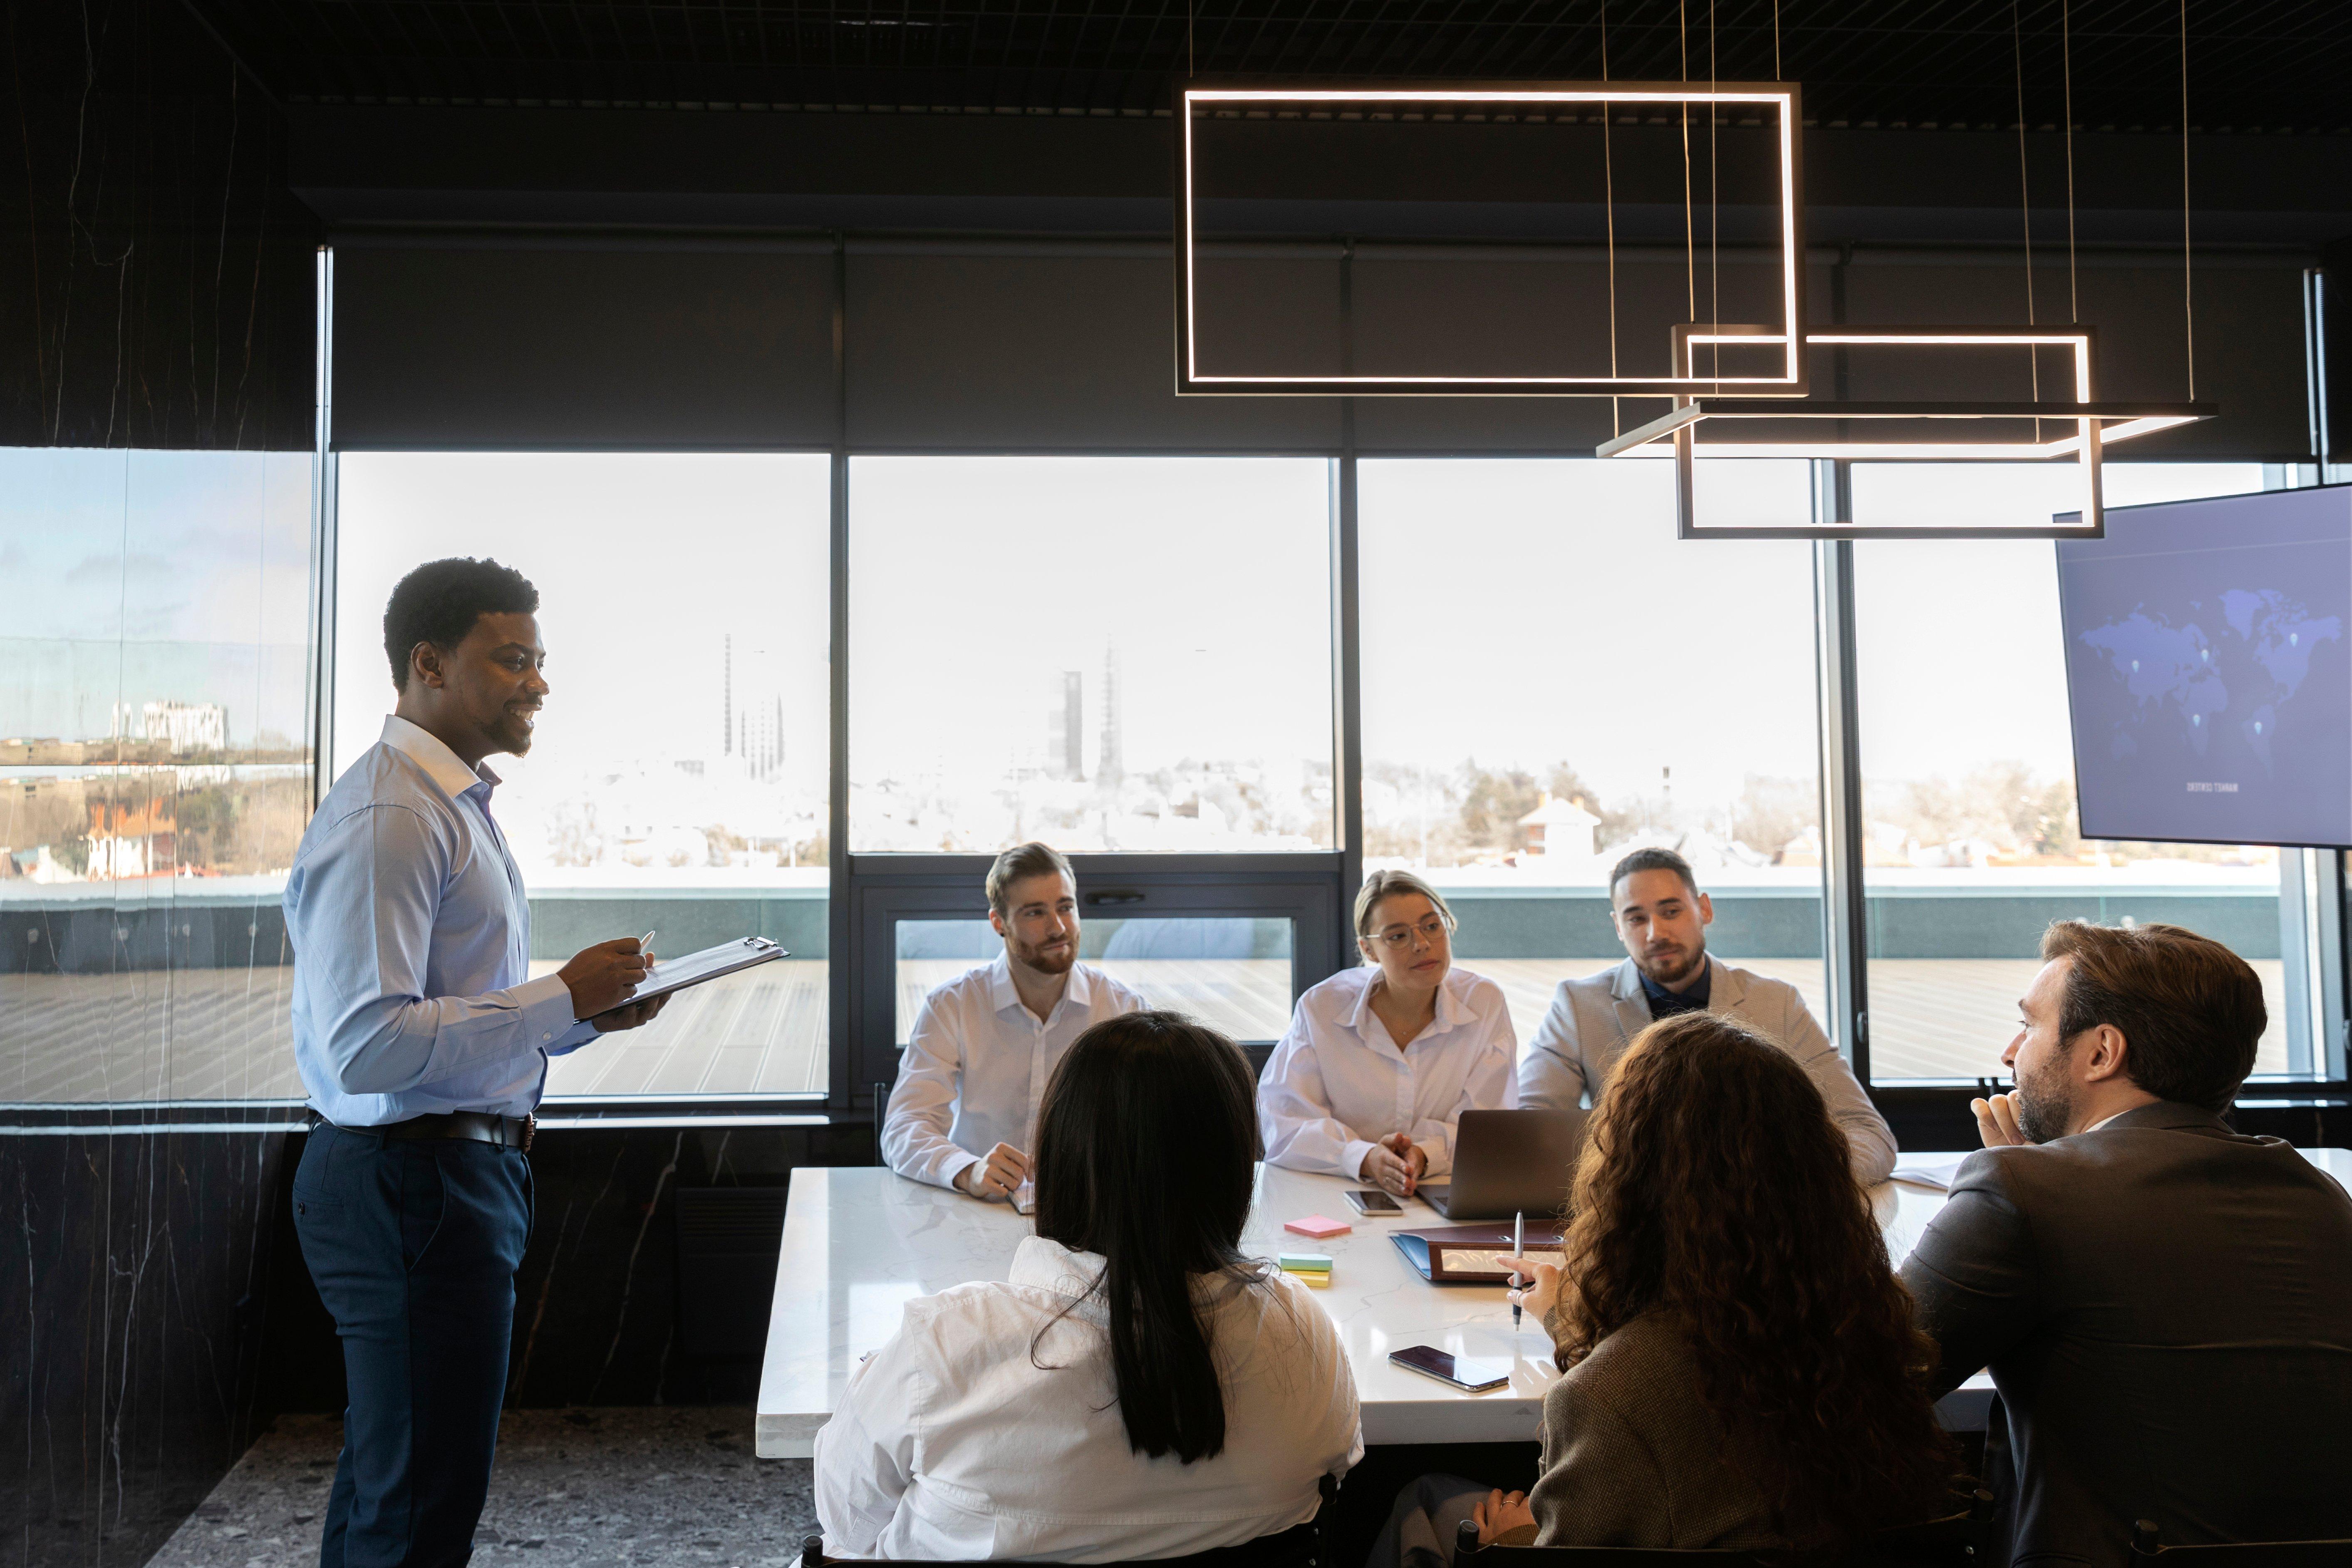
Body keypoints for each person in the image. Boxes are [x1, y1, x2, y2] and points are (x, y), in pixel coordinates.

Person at [284, 557, 671, 1566]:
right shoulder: (396, 816)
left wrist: (584, 1016)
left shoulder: (447, 805)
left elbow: (443, 1011)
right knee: (418, 1502)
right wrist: (558, 998)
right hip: (413, 1183)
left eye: (539, 662)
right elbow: (368, 1044)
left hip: (443, 1175)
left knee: (397, 1479)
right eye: (511, 660)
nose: (538, 682)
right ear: (427, 664)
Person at [1373, 1013, 1955, 1567]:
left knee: (1420, 1503)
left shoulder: (1603, 1399)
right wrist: (1562, 1314)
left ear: (1633, 1180)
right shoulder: (1873, 1329)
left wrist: (1514, 1538)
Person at [817, 1011, 1362, 1558]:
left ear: (1060, 1154)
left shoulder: (946, 1344)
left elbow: (849, 1527)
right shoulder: (1300, 1329)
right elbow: (1337, 1467)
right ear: (1235, 1168)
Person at [1902, 920, 2352, 1568]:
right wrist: (2043, 1175)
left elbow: (1864, 1382)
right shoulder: (2321, 1196)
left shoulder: (2023, 1190)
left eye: (2028, 1026)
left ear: (2101, 1052)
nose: (2010, 1053)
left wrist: (2022, 1187)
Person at [1518, 846, 1895, 1185]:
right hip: (1634, 1222)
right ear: (1618, 927)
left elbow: (1867, 1133)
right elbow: (1531, 1131)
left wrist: (1793, 1186)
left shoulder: (1775, 1003)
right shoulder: (1578, 1005)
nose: (1655, 933)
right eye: (1636, 919)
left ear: (1704, 909)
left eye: (1671, 911)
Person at [882, 841, 1146, 1199]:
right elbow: (904, 1126)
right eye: (1035, 913)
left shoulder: (1121, 1006)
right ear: (998, 923)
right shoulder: (953, 1004)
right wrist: (966, 1170)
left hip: (1090, 1210)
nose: (1057, 928)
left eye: (1065, 907)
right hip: (978, 1209)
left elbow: (1151, 1126)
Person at [1258, 869, 1517, 1197]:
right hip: (1336, 1191)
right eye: (1397, 936)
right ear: (1368, 950)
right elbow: (1284, 1123)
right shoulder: (1321, 1007)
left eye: (1432, 926)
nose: (1422, 944)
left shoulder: (1483, 1001)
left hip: (1445, 1191)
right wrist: (1363, 1157)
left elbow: (1490, 1124)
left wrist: (1424, 1155)